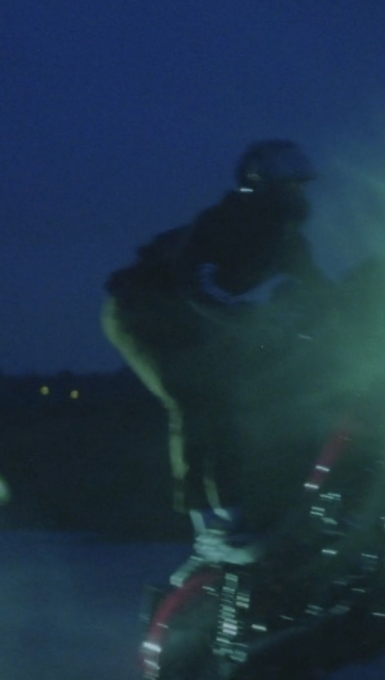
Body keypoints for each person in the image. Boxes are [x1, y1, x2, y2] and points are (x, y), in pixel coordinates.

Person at [101, 139, 329, 565]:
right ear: (262, 186)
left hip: (198, 320)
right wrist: (247, 315)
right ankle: (210, 526)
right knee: (195, 396)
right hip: (142, 311)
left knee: (249, 394)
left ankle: (262, 510)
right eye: (291, 186)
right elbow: (198, 284)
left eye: (302, 187)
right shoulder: (225, 222)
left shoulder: (289, 241)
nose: (300, 196)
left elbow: (321, 294)